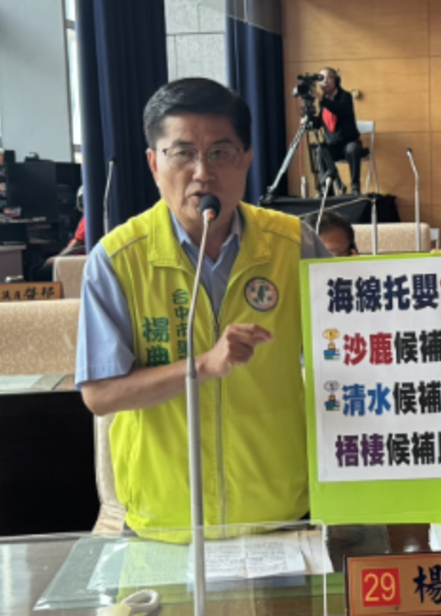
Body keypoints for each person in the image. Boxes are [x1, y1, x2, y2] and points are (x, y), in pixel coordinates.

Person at [75, 78, 334, 534]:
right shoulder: (118, 259)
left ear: (246, 159)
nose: (202, 173)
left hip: (279, 513)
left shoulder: (294, 244)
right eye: (183, 154)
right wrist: (204, 366)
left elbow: (364, 331)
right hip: (165, 524)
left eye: (220, 152)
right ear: (154, 164)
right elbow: (101, 395)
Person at [313, 67, 365, 195]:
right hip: (333, 145)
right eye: (322, 79)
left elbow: (340, 110)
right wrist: (308, 119)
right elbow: (320, 122)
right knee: (320, 152)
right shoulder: (323, 101)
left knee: (353, 149)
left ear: (336, 80)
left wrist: (323, 100)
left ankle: (355, 187)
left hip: (349, 142)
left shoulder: (345, 96)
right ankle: (328, 190)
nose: (325, 81)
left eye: (329, 77)